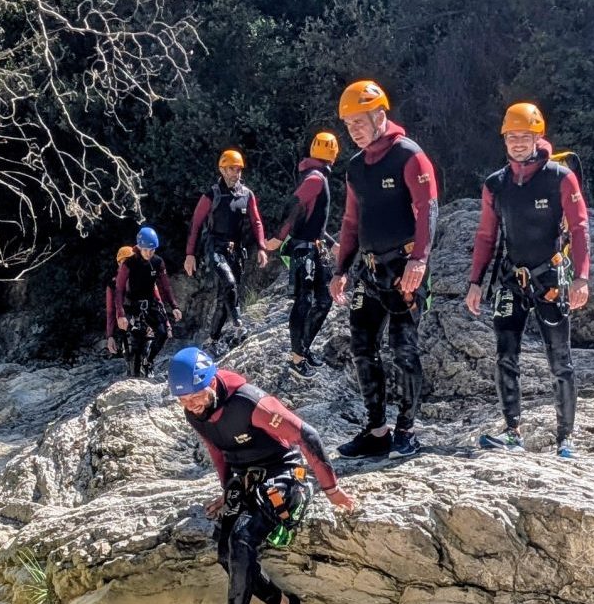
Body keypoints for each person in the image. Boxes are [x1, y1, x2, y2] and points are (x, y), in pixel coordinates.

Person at [164, 345, 356, 604]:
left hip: (283, 470)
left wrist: (331, 490)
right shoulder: (194, 409)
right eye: (183, 400)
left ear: (211, 382)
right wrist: (228, 489)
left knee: (242, 539)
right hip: (245, 474)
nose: (191, 405)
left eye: (195, 396)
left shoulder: (250, 402)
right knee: (227, 555)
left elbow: (307, 435)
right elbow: (217, 450)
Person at [465, 102, 592, 458]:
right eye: (512, 136)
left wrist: (581, 277)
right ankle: (511, 432)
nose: (518, 143)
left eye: (525, 136)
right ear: (504, 138)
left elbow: (580, 228)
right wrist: (475, 281)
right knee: (505, 355)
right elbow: (486, 237)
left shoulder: (560, 178)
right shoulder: (497, 184)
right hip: (511, 279)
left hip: (550, 277)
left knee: (559, 359)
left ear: (538, 136)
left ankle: (566, 437)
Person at [328, 80, 438, 460]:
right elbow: (350, 222)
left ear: (380, 115)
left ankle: (407, 430)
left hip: (405, 269)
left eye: (360, 121)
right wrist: (340, 268)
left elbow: (428, 209)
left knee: (403, 351)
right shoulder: (356, 168)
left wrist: (420, 259)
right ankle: (376, 430)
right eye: (348, 124)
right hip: (370, 272)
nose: (354, 130)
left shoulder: (409, 156)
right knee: (362, 347)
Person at [264, 131, 341, 371]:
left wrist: (330, 243)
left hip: (313, 248)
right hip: (303, 250)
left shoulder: (315, 177)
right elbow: (295, 206)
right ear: (334, 155)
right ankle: (297, 357)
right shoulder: (316, 179)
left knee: (324, 299)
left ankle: (303, 349)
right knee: (305, 301)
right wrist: (279, 237)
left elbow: (312, 221)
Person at [185, 150, 270, 346]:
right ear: (222, 169)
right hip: (215, 248)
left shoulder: (247, 195)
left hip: (236, 251)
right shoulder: (212, 195)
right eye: (232, 169)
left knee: (224, 298)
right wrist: (190, 254)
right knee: (230, 284)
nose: (236, 173)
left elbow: (256, 222)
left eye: (239, 169)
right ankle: (239, 323)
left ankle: (212, 340)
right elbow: (196, 224)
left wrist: (262, 247)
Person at [105, 225, 180, 378]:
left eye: (152, 250)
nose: (148, 253)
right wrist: (114, 328)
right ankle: (134, 374)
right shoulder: (123, 272)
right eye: (145, 250)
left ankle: (148, 362)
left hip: (149, 304)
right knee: (136, 342)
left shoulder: (156, 262)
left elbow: (163, 288)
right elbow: (114, 302)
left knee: (162, 333)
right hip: (131, 307)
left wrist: (174, 307)